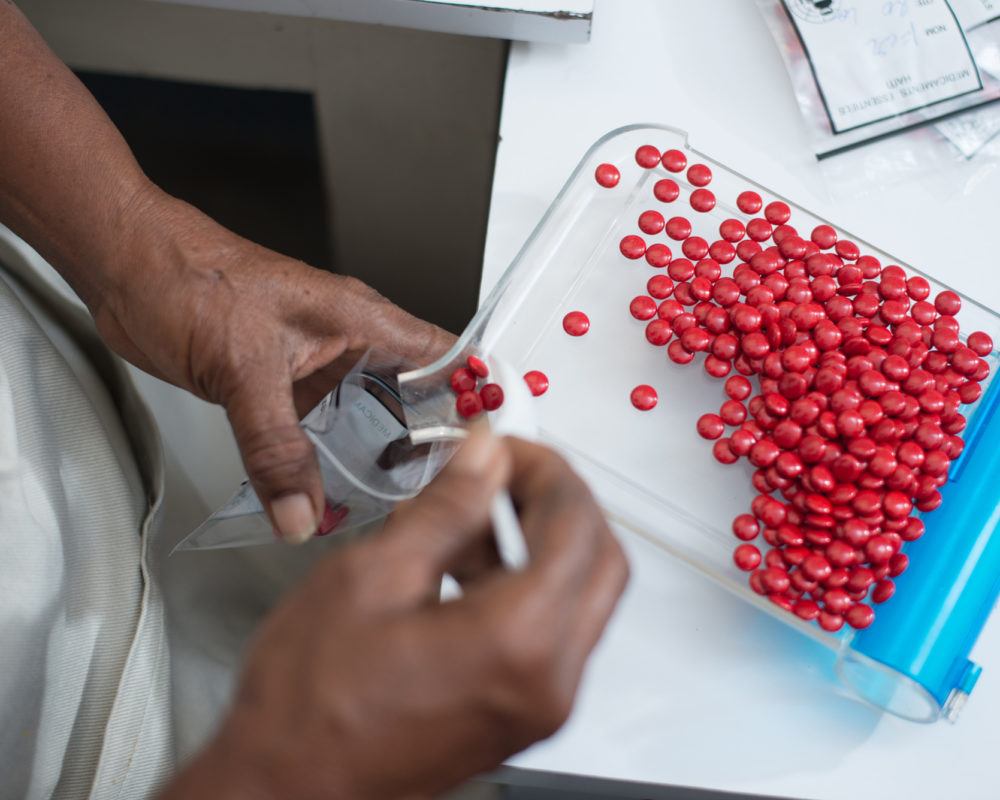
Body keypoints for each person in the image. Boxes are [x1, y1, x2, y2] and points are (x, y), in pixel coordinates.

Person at [0, 3, 628, 799]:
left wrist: (131, 240)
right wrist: (285, 773)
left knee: (263, 538)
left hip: (67, 380)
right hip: (94, 754)